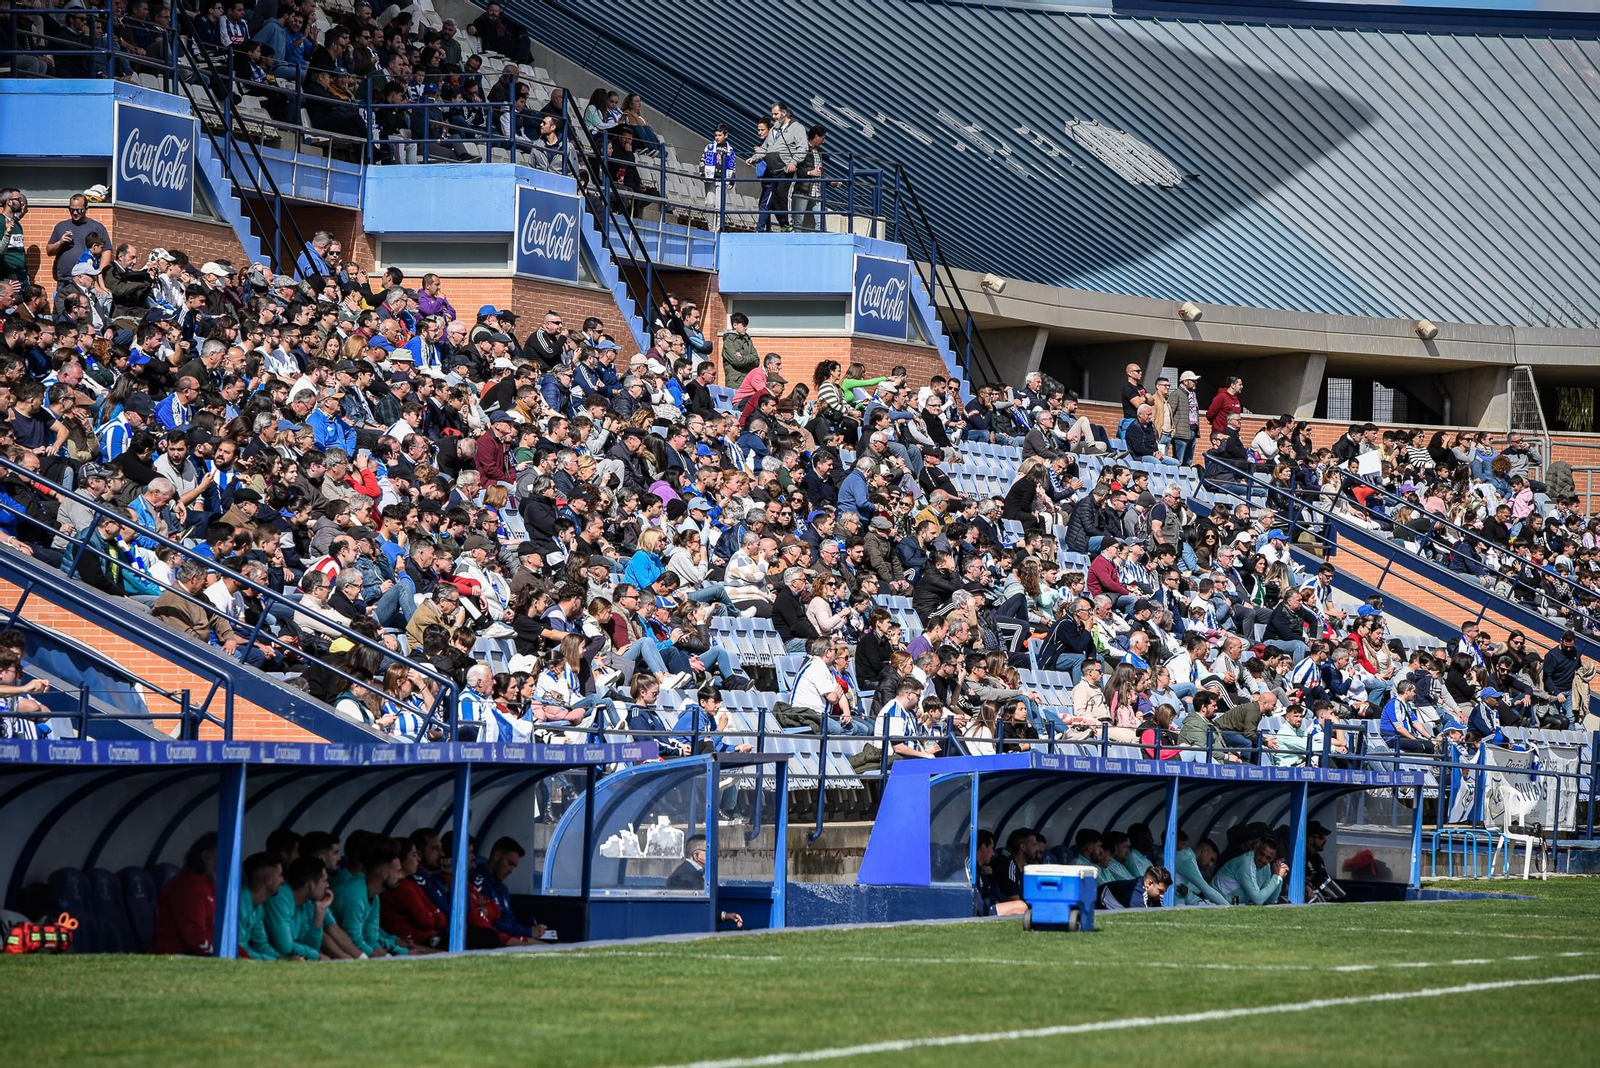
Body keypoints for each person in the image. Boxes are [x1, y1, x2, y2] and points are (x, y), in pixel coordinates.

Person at [152, 832, 218, 955]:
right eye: (223, 855)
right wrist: (224, 954)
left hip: (197, 954)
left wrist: (245, 957)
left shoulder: (210, 885)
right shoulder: (190, 885)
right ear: (206, 857)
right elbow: (194, 937)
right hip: (174, 957)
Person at [1212, 836, 1288, 906]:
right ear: (1256, 849)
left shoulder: (1266, 867)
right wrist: (1277, 877)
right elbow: (1258, 900)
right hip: (1213, 902)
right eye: (1261, 854)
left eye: (1268, 858)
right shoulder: (1246, 863)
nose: (1263, 860)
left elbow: (1270, 900)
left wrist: (1279, 878)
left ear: (1272, 859)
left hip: (1232, 904)